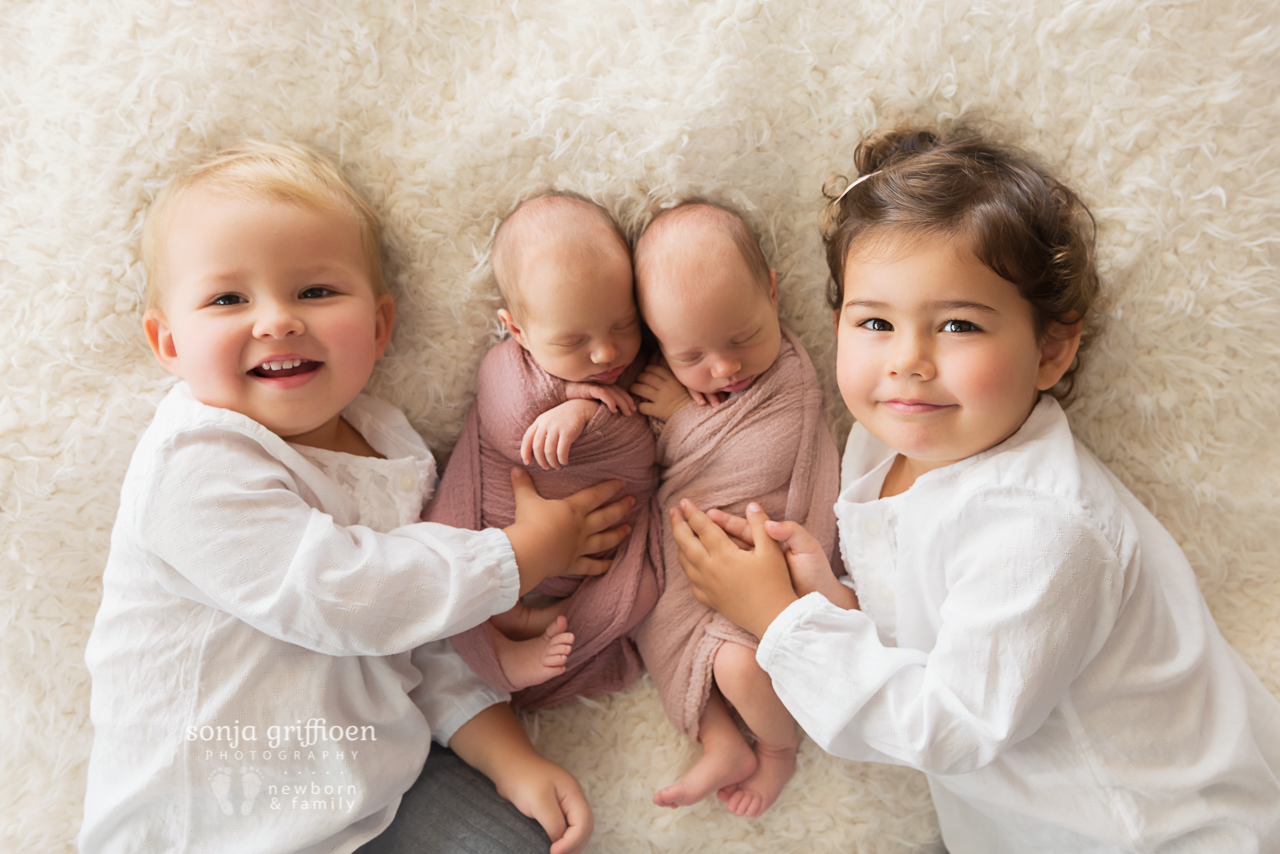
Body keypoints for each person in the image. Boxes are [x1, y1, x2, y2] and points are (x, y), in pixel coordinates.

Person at [672, 127, 1280, 852]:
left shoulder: (1042, 528)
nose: (908, 362)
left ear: (1050, 348)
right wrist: (830, 603)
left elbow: (949, 722)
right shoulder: (883, 443)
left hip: (1151, 831)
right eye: (875, 322)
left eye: (958, 324)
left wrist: (779, 620)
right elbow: (936, 631)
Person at [79, 140, 634, 854]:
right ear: (169, 343)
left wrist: (507, 756)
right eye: (227, 299)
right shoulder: (194, 460)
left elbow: (422, 637)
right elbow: (344, 596)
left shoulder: (392, 450)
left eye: (314, 291)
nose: (276, 320)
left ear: (379, 328)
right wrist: (513, 558)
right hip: (210, 825)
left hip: (372, 800)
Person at [626, 201, 842, 817]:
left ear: (772, 292)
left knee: (739, 668)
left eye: (742, 338)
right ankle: (722, 741)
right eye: (690, 357)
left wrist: (683, 419)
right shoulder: (672, 372)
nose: (724, 368)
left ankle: (778, 749)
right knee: (652, 615)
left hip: (768, 566)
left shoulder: (790, 381)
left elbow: (757, 454)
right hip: (689, 561)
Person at [428, 193, 664, 706]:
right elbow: (517, 432)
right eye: (572, 341)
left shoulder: (638, 361)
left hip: (599, 558)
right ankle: (500, 657)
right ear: (518, 330)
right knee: (442, 558)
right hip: (501, 530)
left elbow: (649, 436)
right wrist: (567, 405)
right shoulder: (506, 366)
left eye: (623, 324)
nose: (605, 353)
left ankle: (558, 635)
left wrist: (587, 411)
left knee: (643, 590)